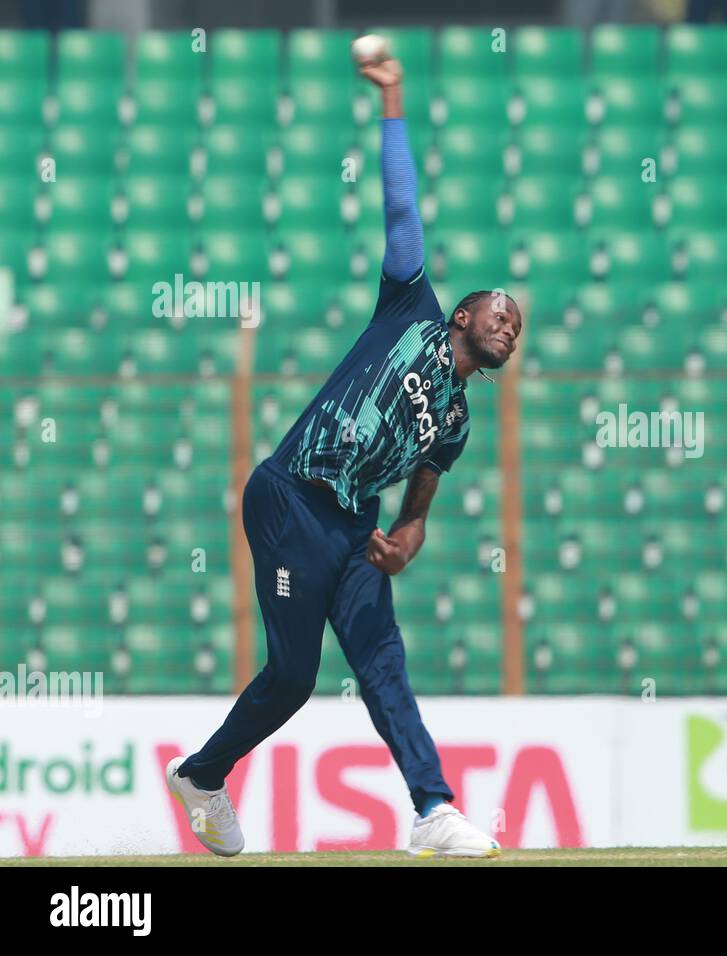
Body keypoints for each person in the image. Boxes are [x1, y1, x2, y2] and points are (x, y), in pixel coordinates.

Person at [166, 51, 522, 860]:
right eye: (500, 312)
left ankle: (432, 807)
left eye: (519, 327)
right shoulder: (412, 308)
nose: (510, 325)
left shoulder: (458, 419)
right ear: (463, 311)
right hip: (290, 497)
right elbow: (402, 206)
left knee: (382, 663)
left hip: (356, 524)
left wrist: (413, 530)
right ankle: (202, 777)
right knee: (293, 678)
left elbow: (427, 483)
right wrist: (394, 96)